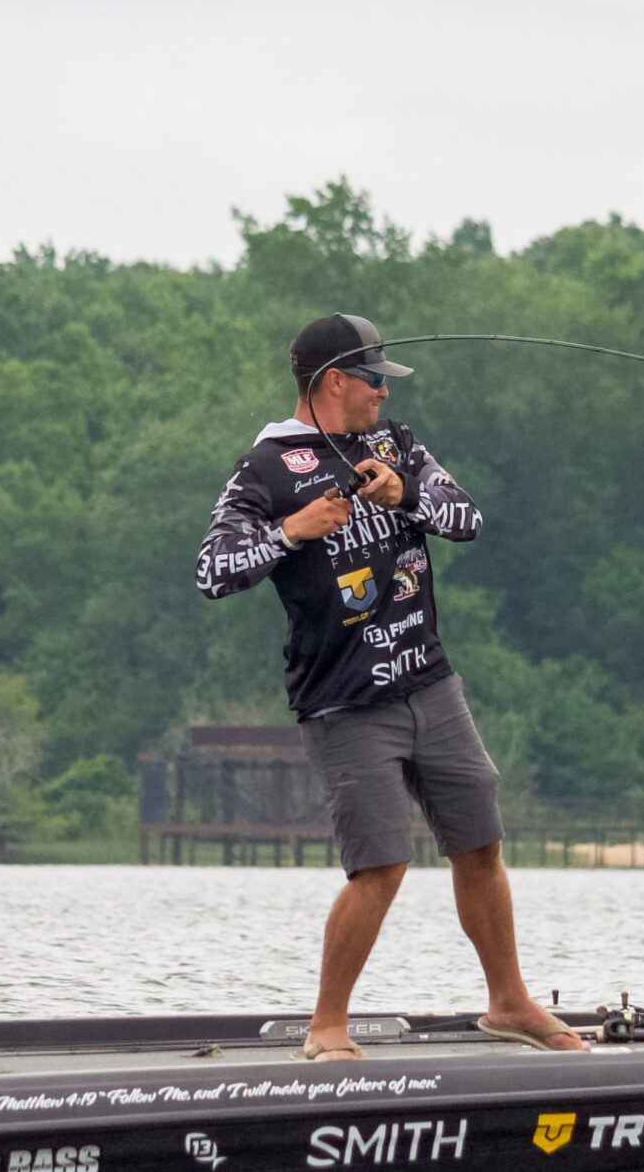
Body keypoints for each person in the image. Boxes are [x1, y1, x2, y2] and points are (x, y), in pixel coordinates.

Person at [194, 314, 584, 1061]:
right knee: (381, 866)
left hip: (430, 685)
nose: (383, 391)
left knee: (480, 845)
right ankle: (326, 1028)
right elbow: (213, 572)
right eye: (374, 379)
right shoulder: (266, 470)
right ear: (335, 381)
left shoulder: (397, 444)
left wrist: (404, 494)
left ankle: (510, 1003)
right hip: (343, 704)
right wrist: (294, 530)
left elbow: (466, 517)